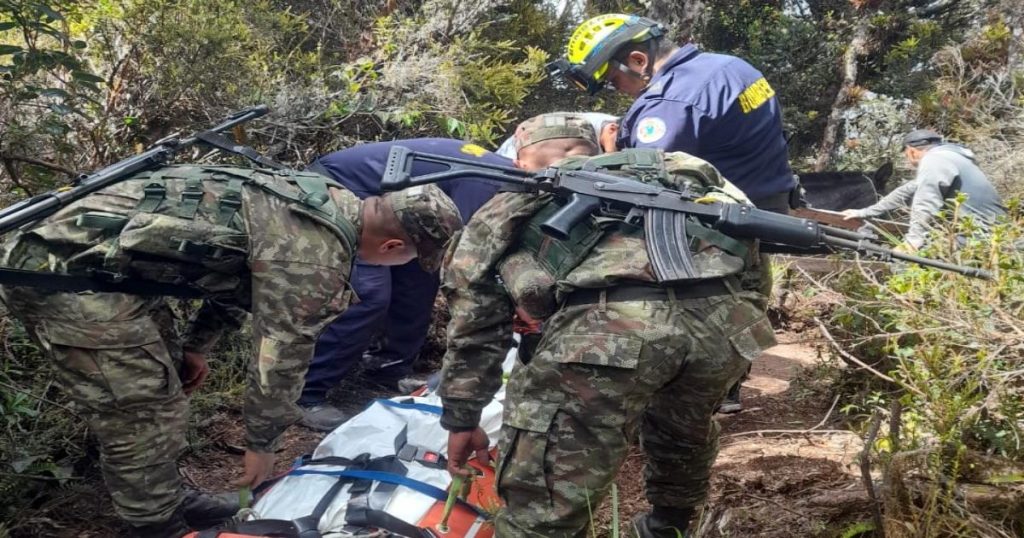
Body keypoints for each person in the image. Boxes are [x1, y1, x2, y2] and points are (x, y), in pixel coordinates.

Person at [0, 164, 462, 538]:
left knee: (165, 385)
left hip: (108, 272)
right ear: (393, 245)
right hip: (62, 277)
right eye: (408, 261)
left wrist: (198, 346)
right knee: (141, 411)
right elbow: (279, 358)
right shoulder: (311, 256)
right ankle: (154, 525)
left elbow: (234, 273)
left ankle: (166, 496)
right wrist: (262, 445)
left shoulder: (325, 197)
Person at [438, 114, 776, 537]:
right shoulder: (684, 173)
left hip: (608, 333)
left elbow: (475, 316)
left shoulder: (525, 193)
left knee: (546, 482)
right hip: (725, 326)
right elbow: (755, 253)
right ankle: (666, 526)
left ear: (523, 158)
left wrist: (462, 415)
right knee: (682, 429)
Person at [298, 139, 505, 431]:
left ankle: (387, 366)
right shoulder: (491, 185)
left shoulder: (507, 180)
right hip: (346, 189)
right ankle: (306, 393)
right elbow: (465, 258)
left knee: (422, 275)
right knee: (367, 293)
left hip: (402, 209)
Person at [550, 14, 798, 213]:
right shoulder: (730, 65)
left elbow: (647, 186)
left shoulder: (669, 104)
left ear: (638, 61)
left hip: (730, 224)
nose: (617, 90)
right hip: (773, 201)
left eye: (614, 80)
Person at [842, 129, 1005, 251]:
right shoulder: (950, 158)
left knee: (902, 265)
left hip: (980, 235)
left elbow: (926, 201)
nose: (908, 160)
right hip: (997, 231)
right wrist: (864, 212)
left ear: (911, 151)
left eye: (906, 155)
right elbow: (906, 191)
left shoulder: (934, 159)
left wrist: (913, 240)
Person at [495, 112, 619, 157]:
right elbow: (532, 125)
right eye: (619, 146)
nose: (619, 151)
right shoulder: (578, 123)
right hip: (519, 152)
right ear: (612, 129)